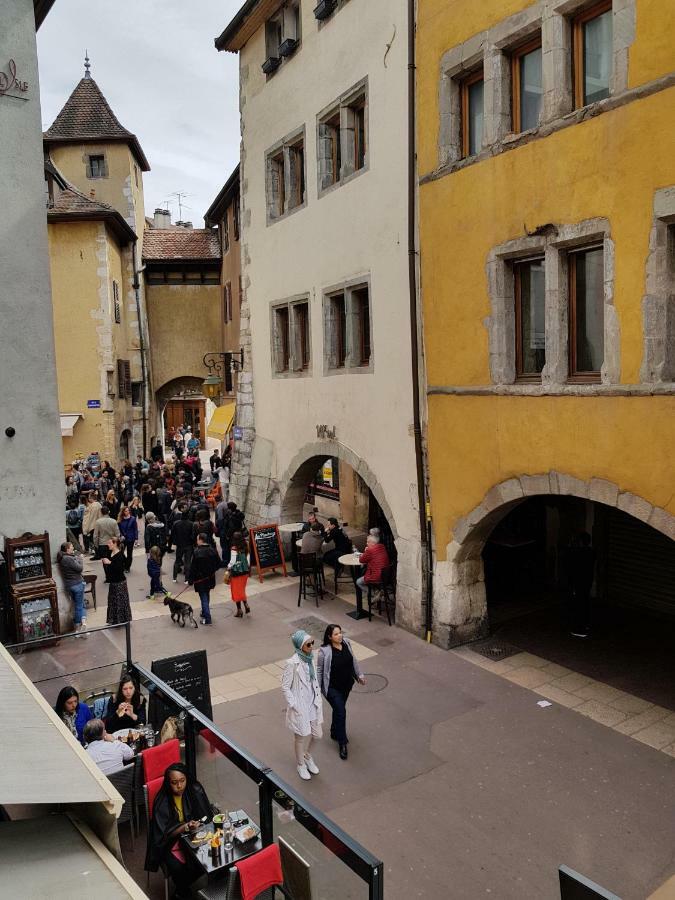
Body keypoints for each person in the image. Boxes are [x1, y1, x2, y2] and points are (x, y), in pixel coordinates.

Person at [145, 762, 215, 899]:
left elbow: (206, 815)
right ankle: (182, 891)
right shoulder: (162, 801)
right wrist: (184, 827)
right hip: (170, 841)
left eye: (182, 781)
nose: (179, 786)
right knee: (177, 867)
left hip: (195, 835)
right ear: (168, 783)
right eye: (174, 782)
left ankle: (183, 889)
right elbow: (163, 834)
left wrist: (197, 824)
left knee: (208, 857)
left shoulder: (194, 790)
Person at [317, 625, 366, 760]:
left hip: (346, 685)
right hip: (332, 688)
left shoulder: (347, 643)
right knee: (341, 711)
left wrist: (359, 675)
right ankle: (342, 743)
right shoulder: (324, 652)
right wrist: (319, 689)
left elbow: (353, 660)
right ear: (329, 637)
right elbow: (320, 671)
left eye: (340, 633)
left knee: (338, 710)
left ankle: (334, 731)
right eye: (336, 634)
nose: (340, 636)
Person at [282, 631, 323, 781]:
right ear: (300, 646)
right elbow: (285, 687)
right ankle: (300, 764)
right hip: (300, 706)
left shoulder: (311, 659)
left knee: (318, 735)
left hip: (313, 703)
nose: (312, 646)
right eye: (308, 644)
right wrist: (294, 705)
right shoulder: (291, 663)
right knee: (300, 738)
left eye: (312, 643)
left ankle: (307, 756)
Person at [188, 532, 221, 625]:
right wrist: (212, 570)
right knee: (206, 594)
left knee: (203, 597)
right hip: (210, 578)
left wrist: (190, 580)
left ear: (200, 540)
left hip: (200, 579)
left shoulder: (196, 552)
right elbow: (219, 564)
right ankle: (204, 612)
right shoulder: (213, 550)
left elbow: (193, 568)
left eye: (197, 539)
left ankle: (207, 618)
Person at [567, 532, 596, 638]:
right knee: (585, 603)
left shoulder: (577, 553)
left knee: (579, 605)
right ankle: (586, 625)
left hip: (579, 582)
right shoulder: (591, 552)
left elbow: (572, 566)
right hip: (587, 582)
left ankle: (580, 628)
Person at [57, 541, 87, 634]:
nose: (73, 548)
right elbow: (79, 568)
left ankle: (82, 623)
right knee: (79, 606)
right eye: (71, 546)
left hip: (70, 585)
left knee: (79, 605)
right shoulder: (68, 559)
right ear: (67, 549)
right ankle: (79, 626)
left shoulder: (63, 558)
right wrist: (80, 559)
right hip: (77, 584)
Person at [102, 537, 132, 624]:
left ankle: (121, 620)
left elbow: (119, 569)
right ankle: (113, 619)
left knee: (120, 602)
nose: (108, 545)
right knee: (112, 601)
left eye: (110, 543)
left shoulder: (120, 555)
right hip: (113, 581)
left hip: (119, 582)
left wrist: (109, 563)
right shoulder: (110, 552)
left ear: (115, 544)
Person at [355, 533, 390, 609]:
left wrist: (365, 551)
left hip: (376, 576)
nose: (366, 543)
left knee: (358, 582)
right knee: (364, 571)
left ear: (373, 543)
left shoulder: (370, 550)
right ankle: (378, 592)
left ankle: (374, 594)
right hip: (386, 575)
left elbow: (361, 560)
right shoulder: (382, 546)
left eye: (368, 542)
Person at [227, 531, 250, 617]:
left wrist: (228, 567)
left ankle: (239, 610)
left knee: (236, 591)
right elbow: (248, 559)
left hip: (236, 572)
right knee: (242, 590)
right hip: (245, 571)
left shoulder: (234, 548)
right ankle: (246, 605)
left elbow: (232, 562)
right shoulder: (246, 545)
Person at [170, 509, 194, 582]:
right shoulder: (191, 524)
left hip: (179, 545)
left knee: (177, 561)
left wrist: (174, 542)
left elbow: (173, 534)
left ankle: (174, 578)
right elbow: (193, 535)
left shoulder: (176, 523)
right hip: (189, 545)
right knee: (188, 562)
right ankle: (186, 579)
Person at [118, 506, 138, 572]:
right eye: (126, 511)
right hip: (123, 538)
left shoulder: (133, 519)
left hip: (130, 538)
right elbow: (119, 529)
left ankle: (127, 567)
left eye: (128, 510)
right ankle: (126, 563)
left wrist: (136, 538)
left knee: (129, 553)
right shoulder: (120, 519)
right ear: (123, 512)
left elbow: (135, 529)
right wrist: (121, 535)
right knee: (120, 552)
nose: (128, 512)